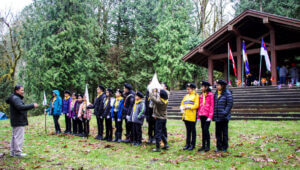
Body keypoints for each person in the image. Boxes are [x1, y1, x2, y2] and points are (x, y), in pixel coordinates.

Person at [6, 85, 38, 157]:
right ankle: (17, 152)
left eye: (23, 90)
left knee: (15, 136)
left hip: (16, 119)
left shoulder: (13, 97)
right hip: (18, 120)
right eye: (21, 90)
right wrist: (32, 105)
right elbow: (20, 107)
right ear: (17, 91)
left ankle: (13, 152)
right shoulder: (16, 98)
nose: (23, 92)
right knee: (18, 137)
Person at [213, 79, 233, 152]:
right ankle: (219, 146)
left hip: (224, 117)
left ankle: (225, 146)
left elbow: (229, 104)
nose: (217, 86)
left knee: (224, 132)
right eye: (216, 85)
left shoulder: (227, 93)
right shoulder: (216, 93)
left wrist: (225, 112)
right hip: (217, 116)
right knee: (218, 133)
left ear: (222, 85)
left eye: (218, 85)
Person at [180, 83, 199, 151]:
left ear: (193, 89)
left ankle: (192, 144)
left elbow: (196, 105)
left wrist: (189, 107)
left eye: (189, 89)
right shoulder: (186, 96)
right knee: (188, 131)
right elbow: (182, 103)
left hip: (192, 116)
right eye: (187, 89)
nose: (187, 90)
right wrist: (182, 107)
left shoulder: (196, 96)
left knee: (193, 131)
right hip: (185, 116)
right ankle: (187, 144)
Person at [197, 81, 214, 152]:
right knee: (203, 130)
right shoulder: (201, 95)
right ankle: (203, 145)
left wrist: (210, 116)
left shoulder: (210, 95)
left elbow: (212, 106)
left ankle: (208, 145)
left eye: (202, 87)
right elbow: (199, 106)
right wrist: (198, 117)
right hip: (202, 115)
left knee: (206, 130)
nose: (201, 88)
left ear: (206, 87)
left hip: (207, 115)